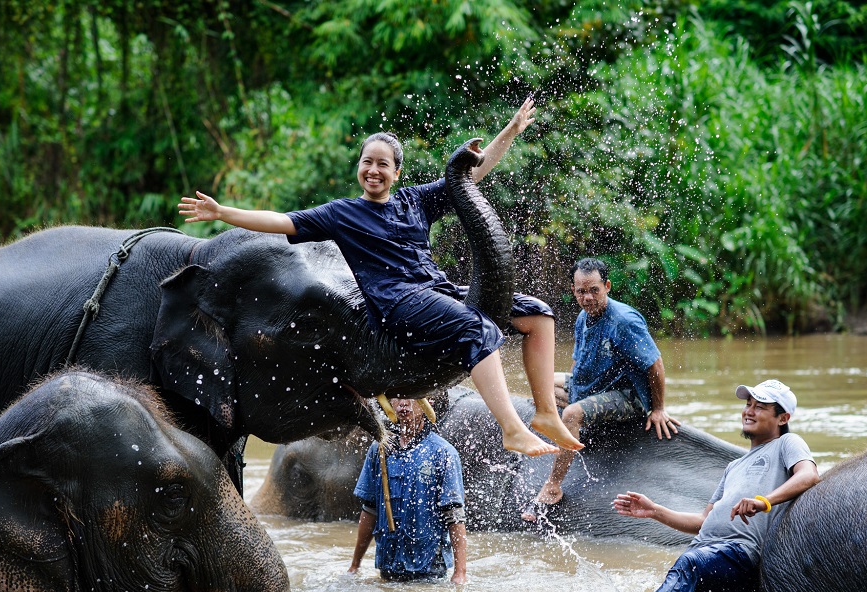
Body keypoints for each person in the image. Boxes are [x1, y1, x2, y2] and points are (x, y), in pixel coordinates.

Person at [179, 98, 580, 458]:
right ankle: (511, 428)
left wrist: (508, 132)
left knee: (538, 314)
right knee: (478, 330)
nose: (373, 170)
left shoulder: (415, 200)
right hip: (397, 302)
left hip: (434, 289)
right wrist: (223, 212)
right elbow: (280, 221)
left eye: (382, 164)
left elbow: (470, 176)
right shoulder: (341, 214)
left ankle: (545, 411)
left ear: (397, 172)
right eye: (366, 162)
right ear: (359, 168)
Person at [604, 379, 819, 592]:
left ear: (782, 418)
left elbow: (808, 475)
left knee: (689, 564)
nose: (749, 411)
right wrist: (655, 511)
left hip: (739, 553)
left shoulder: (787, 443)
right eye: (748, 404)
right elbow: (703, 521)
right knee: (679, 587)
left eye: (760, 407)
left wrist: (763, 502)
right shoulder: (733, 467)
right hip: (706, 552)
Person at [522, 257, 679, 521]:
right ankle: (568, 412)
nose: (588, 297)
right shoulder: (583, 317)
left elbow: (656, 364)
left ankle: (553, 487)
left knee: (572, 413)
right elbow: (578, 360)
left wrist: (659, 408)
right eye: (581, 291)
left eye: (594, 290)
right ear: (573, 291)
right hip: (593, 386)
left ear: (607, 286)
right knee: (541, 380)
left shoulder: (624, 321)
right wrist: (569, 386)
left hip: (627, 396)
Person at [347, 397, 468, 583]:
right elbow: (369, 509)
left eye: (411, 397)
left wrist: (460, 573)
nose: (404, 403)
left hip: (430, 572)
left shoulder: (443, 453)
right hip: (388, 569)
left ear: (429, 402)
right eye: (397, 398)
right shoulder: (380, 449)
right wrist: (355, 565)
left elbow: (454, 515)